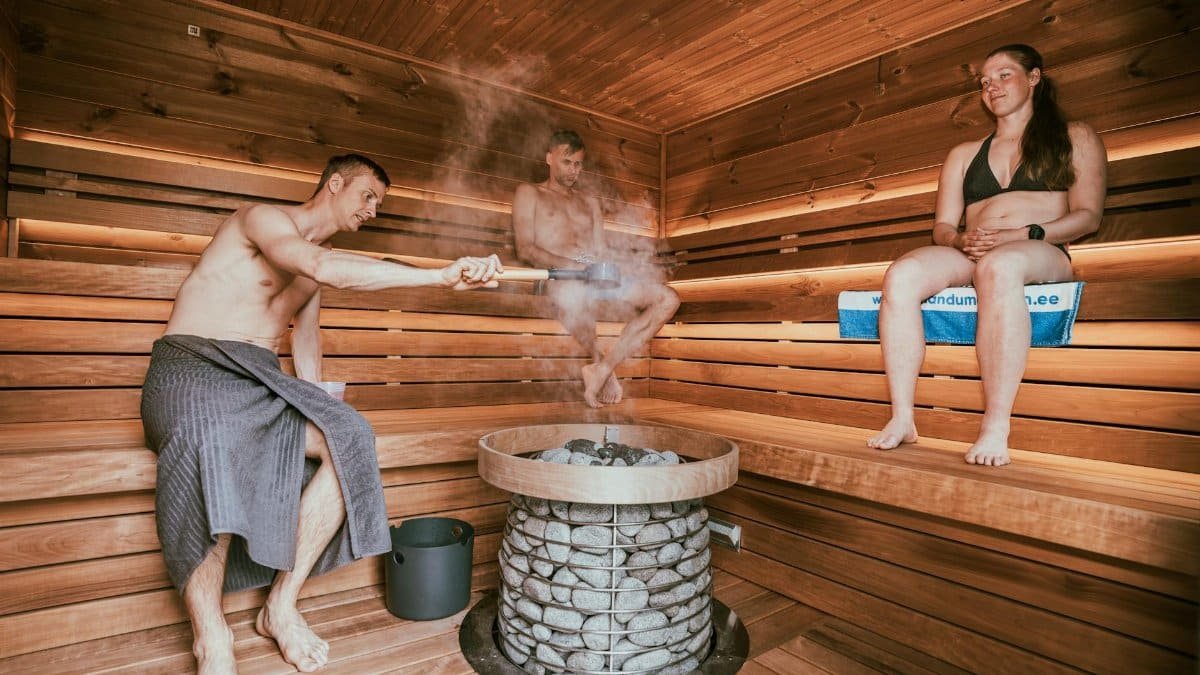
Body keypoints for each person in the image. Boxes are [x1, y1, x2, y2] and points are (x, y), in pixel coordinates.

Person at [140, 153, 502, 673]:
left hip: (257, 378)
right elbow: (319, 265)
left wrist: (319, 404)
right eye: (368, 196)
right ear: (334, 184)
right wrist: (439, 277)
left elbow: (306, 348)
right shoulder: (265, 221)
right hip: (193, 368)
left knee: (348, 436)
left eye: (379, 202)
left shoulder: (315, 274)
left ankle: (281, 607)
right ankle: (212, 635)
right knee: (210, 437)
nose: (373, 210)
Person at [866, 44, 1106, 466]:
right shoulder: (962, 155)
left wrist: (1023, 233)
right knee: (901, 275)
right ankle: (902, 417)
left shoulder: (1075, 136)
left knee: (1001, 265)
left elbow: (1088, 216)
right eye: (984, 82)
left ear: (1034, 77)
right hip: (974, 250)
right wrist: (961, 241)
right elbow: (943, 226)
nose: (991, 87)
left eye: (1004, 75)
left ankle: (996, 426)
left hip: (1040, 249)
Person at [512, 130, 679, 408]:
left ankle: (602, 368)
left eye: (578, 164)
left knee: (668, 298)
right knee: (576, 291)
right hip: (556, 276)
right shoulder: (529, 193)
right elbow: (526, 249)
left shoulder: (589, 202)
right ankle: (600, 364)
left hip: (594, 277)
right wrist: (575, 267)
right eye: (567, 162)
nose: (573, 170)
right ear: (549, 158)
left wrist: (613, 269)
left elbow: (601, 251)